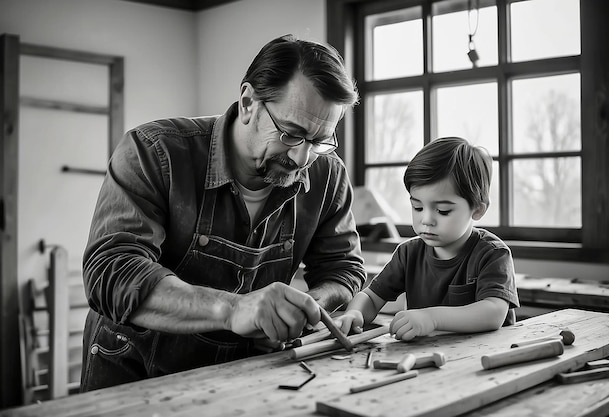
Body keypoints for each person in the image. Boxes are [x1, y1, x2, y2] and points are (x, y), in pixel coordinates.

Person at [80, 34, 366, 391]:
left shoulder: (327, 174)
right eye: (291, 134)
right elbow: (113, 272)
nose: (301, 159)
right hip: (134, 373)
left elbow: (344, 268)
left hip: (241, 378)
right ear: (248, 102)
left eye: (319, 140)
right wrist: (233, 309)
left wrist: (307, 310)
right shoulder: (154, 151)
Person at [336, 137, 519, 340]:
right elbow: (371, 297)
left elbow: (493, 313)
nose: (427, 220)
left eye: (442, 210)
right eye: (418, 207)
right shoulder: (408, 254)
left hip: (484, 360)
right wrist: (355, 313)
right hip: (426, 360)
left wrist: (432, 318)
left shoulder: (492, 254)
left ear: (477, 210)